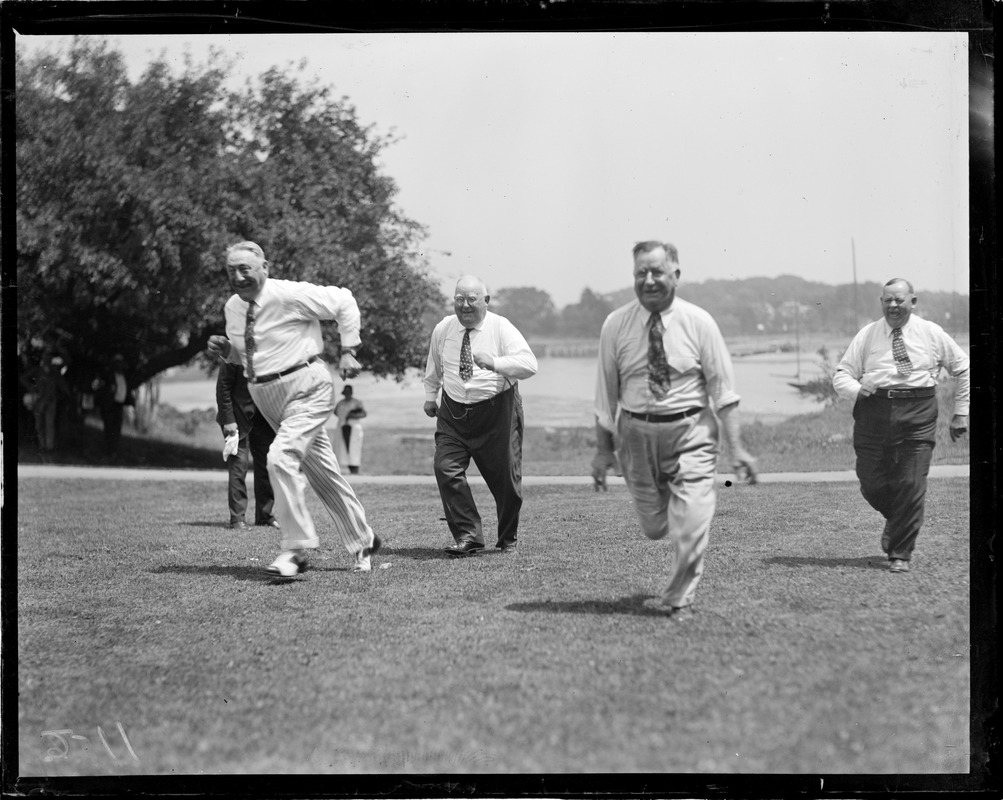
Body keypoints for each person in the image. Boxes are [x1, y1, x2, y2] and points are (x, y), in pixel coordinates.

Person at [591, 240, 757, 620]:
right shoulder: (615, 325)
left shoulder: (699, 322)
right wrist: (603, 451)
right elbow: (605, 397)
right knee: (654, 526)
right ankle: (669, 510)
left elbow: (724, 393)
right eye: (640, 273)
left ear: (676, 275)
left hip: (692, 432)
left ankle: (680, 598)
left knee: (690, 521)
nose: (648, 280)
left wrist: (738, 450)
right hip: (635, 435)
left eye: (657, 272)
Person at [206, 241, 381, 578]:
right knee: (323, 474)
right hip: (266, 395)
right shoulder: (232, 307)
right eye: (232, 271)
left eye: (246, 269)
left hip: (306, 386)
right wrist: (226, 348)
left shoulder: (288, 294)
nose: (239, 276)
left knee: (279, 458)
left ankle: (295, 550)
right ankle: (364, 540)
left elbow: (344, 301)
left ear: (265, 268)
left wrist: (348, 350)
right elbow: (244, 356)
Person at [832, 278, 969, 574]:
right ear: (881, 302)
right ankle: (900, 520)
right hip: (873, 412)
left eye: (899, 300)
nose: (893, 306)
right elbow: (841, 375)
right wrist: (857, 390)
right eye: (887, 301)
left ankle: (900, 553)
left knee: (911, 482)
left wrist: (961, 412)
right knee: (871, 482)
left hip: (918, 411)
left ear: (913, 301)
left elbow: (963, 366)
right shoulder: (867, 334)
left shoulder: (931, 333)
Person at [423, 275, 538, 557]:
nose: (464, 306)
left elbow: (529, 364)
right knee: (445, 468)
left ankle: (507, 538)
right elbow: (434, 365)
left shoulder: (501, 328)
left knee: (507, 481)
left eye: (471, 300)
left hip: (497, 411)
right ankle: (469, 536)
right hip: (453, 412)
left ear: (485, 301)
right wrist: (430, 396)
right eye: (459, 300)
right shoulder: (444, 329)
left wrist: (496, 363)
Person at [216, 360, 278, 530]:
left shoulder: (270, 346)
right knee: (239, 466)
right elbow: (223, 387)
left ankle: (265, 516)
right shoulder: (233, 347)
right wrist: (228, 420)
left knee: (267, 466)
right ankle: (237, 519)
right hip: (236, 418)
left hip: (265, 420)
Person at [93, 353, 134, 458]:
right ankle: (109, 451)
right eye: (117, 363)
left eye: (120, 363)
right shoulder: (108, 375)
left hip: (119, 405)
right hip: (109, 405)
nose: (119, 365)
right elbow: (98, 386)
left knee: (117, 428)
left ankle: (114, 451)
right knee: (109, 429)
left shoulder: (124, 376)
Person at [333, 384, 367, 474]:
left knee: (353, 448)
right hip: (342, 426)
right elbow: (336, 412)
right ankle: (343, 468)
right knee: (342, 448)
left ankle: (354, 469)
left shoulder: (357, 403)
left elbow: (363, 413)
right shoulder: (340, 403)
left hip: (354, 428)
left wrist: (351, 416)